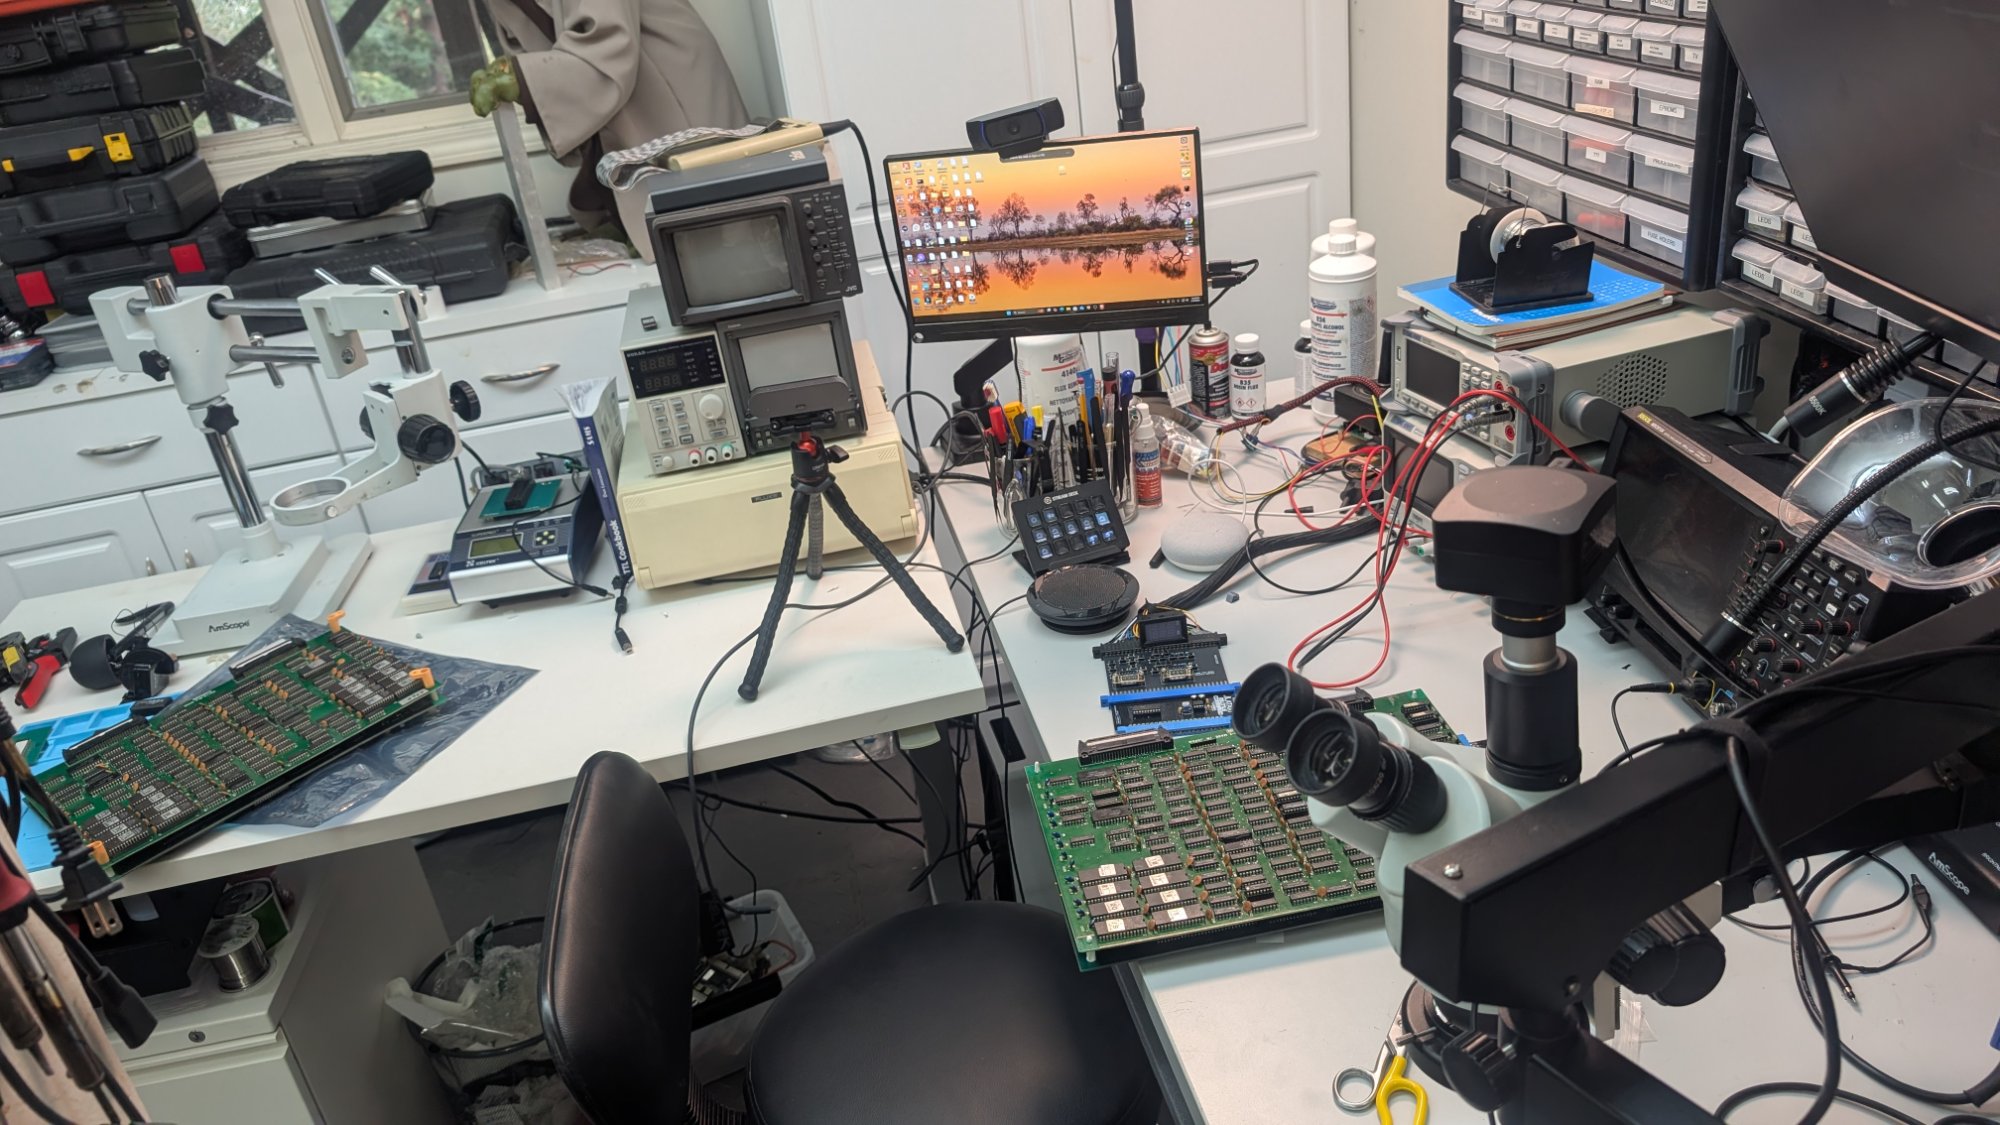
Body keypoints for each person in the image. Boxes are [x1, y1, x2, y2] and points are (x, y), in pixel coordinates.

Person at [470, 0, 749, 240]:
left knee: (717, 230)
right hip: (631, 101)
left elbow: (608, 42)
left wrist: (520, 78)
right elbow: (541, 46)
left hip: (669, 84)